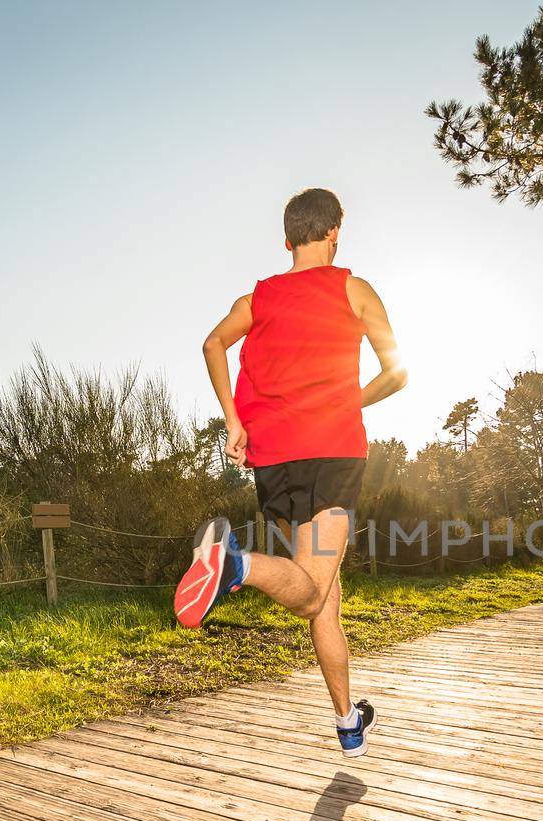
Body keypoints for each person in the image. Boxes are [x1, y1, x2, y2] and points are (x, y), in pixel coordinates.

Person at [174, 188, 406, 758]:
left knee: (322, 594)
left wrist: (234, 422)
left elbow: (212, 344)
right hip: (332, 453)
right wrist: (350, 401)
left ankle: (348, 722)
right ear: (334, 233)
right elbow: (397, 372)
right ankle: (236, 566)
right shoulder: (354, 288)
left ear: (287, 239)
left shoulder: (257, 298)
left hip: (274, 459)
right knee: (310, 597)